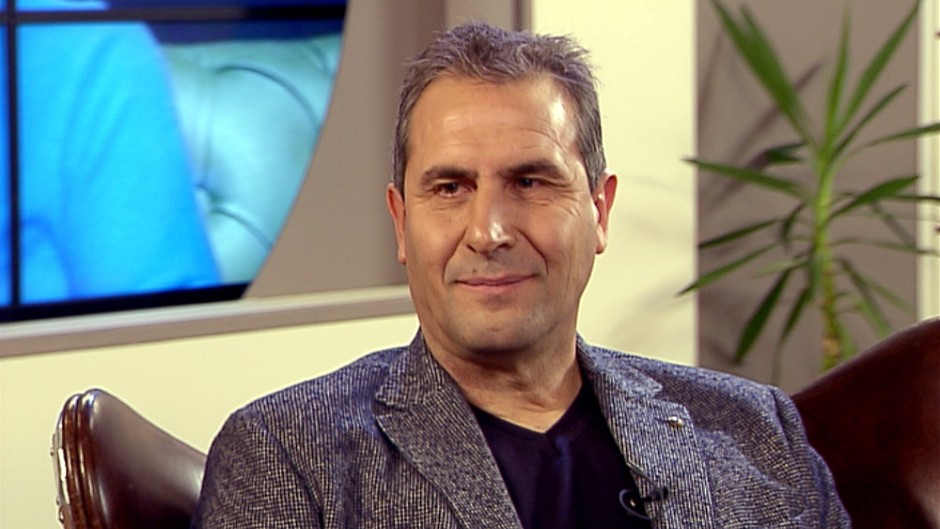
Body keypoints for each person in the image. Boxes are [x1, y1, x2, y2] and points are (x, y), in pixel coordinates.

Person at [192, 22, 849, 528]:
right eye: (450, 188)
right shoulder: (288, 457)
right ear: (401, 222)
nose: (488, 231)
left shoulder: (755, 431)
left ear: (599, 211)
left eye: (530, 181)